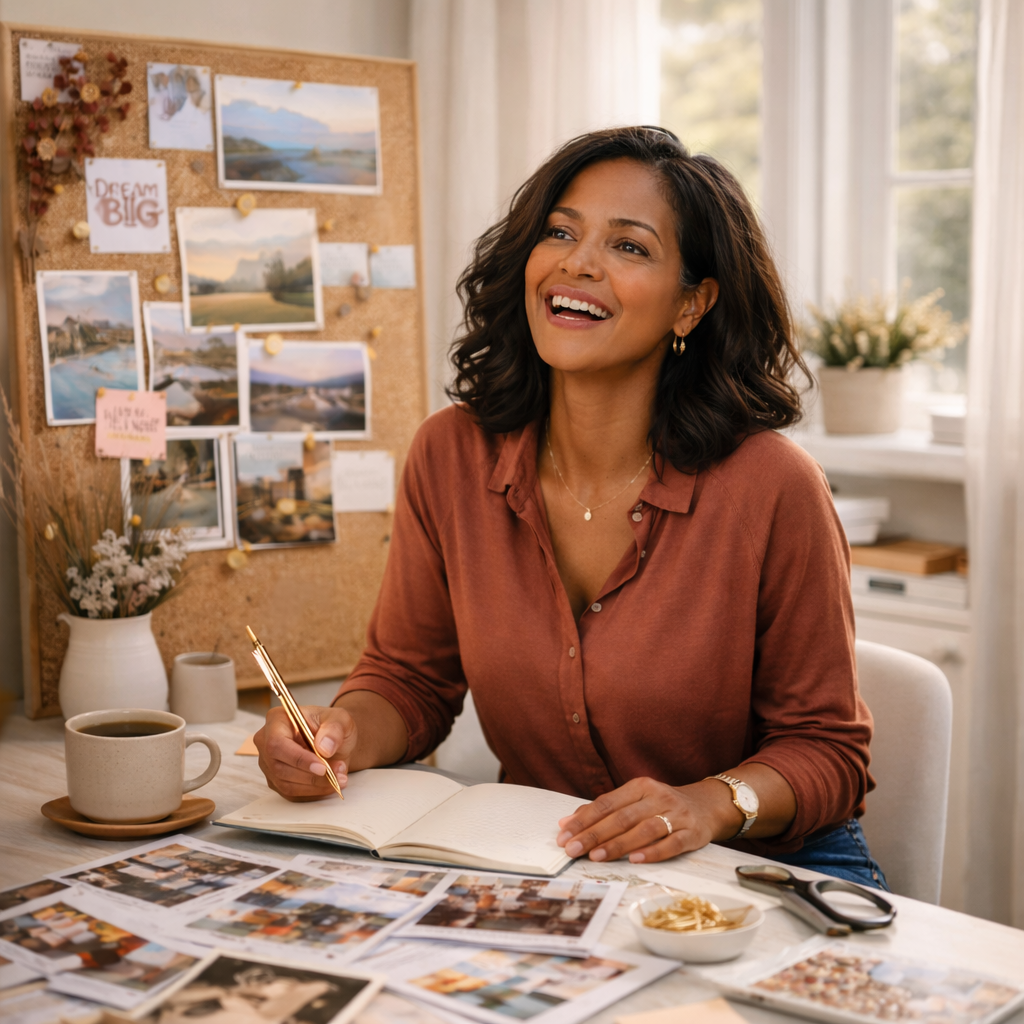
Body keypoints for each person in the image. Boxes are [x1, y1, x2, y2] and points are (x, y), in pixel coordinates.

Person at [255, 126, 887, 890]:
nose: (578, 262)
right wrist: (341, 732)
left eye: (629, 247)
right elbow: (409, 679)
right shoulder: (450, 455)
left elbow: (829, 751)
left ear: (692, 304)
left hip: (759, 871)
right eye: (560, 232)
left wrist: (707, 805)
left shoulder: (773, 487)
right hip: (551, 864)